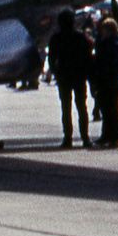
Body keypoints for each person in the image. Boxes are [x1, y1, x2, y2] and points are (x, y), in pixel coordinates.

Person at [49, 10, 94, 148]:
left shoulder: (56, 38)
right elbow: (88, 57)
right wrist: (87, 73)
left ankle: (67, 137)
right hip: (78, 75)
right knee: (81, 107)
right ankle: (85, 138)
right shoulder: (80, 37)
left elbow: (52, 58)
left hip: (64, 75)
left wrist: (56, 73)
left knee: (66, 108)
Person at [92, 18, 118, 147]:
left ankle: (116, 136)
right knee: (105, 109)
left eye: (103, 30)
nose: (101, 32)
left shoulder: (115, 43)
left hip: (112, 79)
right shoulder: (103, 42)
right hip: (104, 79)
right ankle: (108, 135)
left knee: (111, 109)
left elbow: (113, 61)